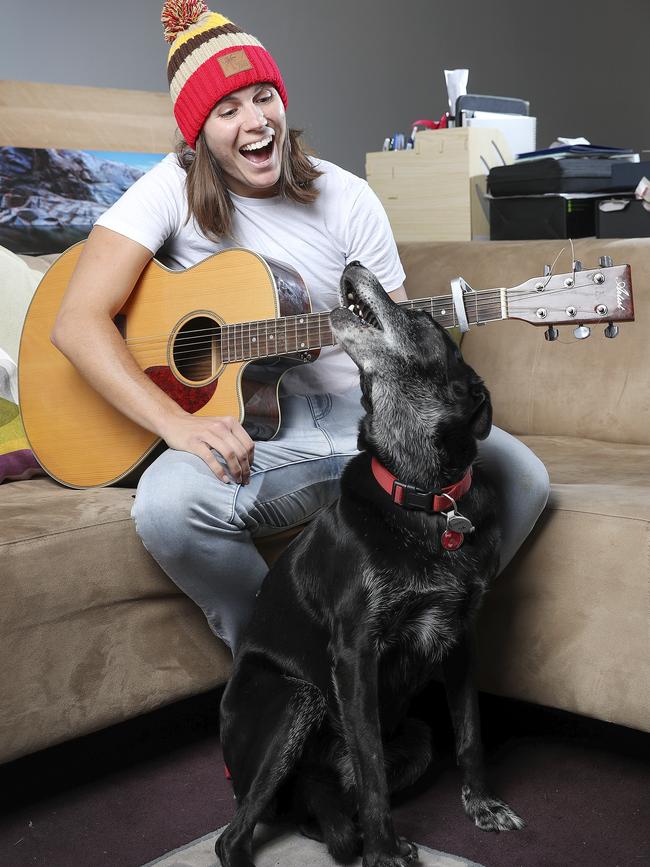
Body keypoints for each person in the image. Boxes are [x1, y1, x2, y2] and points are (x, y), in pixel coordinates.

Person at [51, 2, 549, 652]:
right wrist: (176, 422)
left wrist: (413, 365)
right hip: (260, 433)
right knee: (167, 510)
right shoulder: (169, 189)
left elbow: (404, 360)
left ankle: (413, 650)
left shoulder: (347, 198)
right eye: (228, 110)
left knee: (523, 478)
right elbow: (76, 321)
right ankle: (285, 666)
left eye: (264, 98)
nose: (256, 122)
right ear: (199, 133)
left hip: (358, 421)